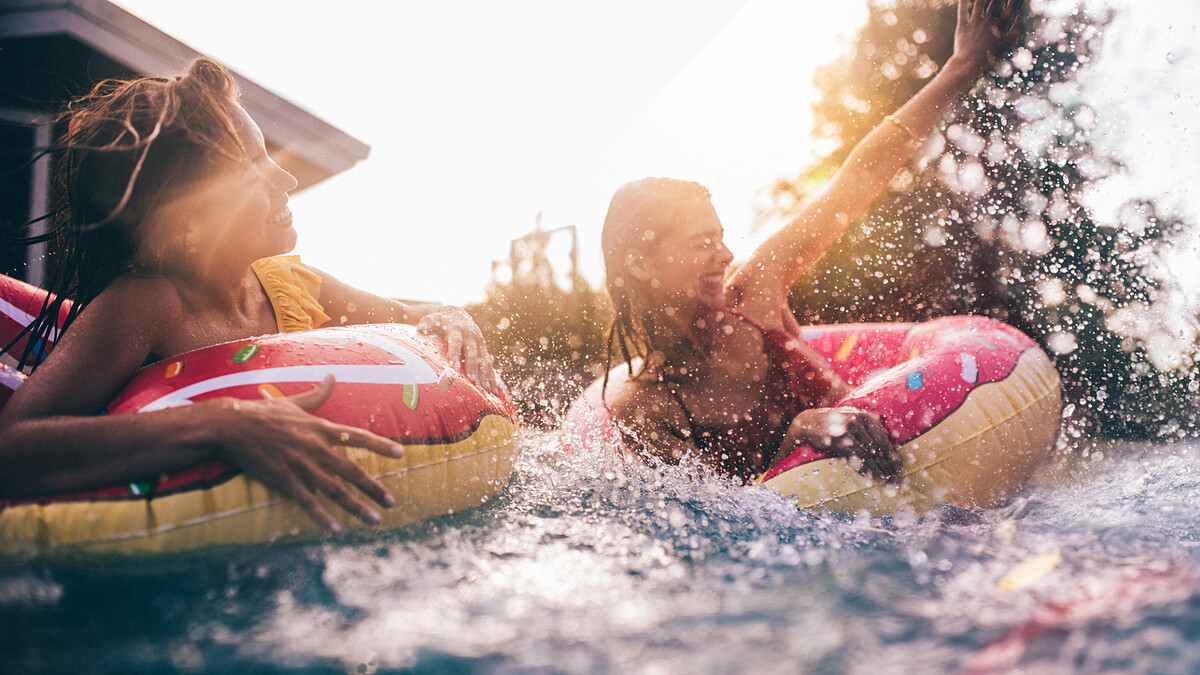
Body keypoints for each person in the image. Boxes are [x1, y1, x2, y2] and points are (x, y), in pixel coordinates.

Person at [0, 57, 498, 532]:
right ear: (187, 219)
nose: (287, 179)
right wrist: (218, 425)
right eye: (252, 170)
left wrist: (452, 317)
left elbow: (413, 316)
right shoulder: (146, 306)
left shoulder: (296, 287)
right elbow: (13, 447)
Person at [601, 0, 1022, 483]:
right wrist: (798, 429)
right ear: (639, 264)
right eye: (702, 242)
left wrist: (960, 67)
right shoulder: (649, 408)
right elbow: (711, 521)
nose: (725, 254)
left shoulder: (756, 291)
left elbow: (856, 179)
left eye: (720, 237)